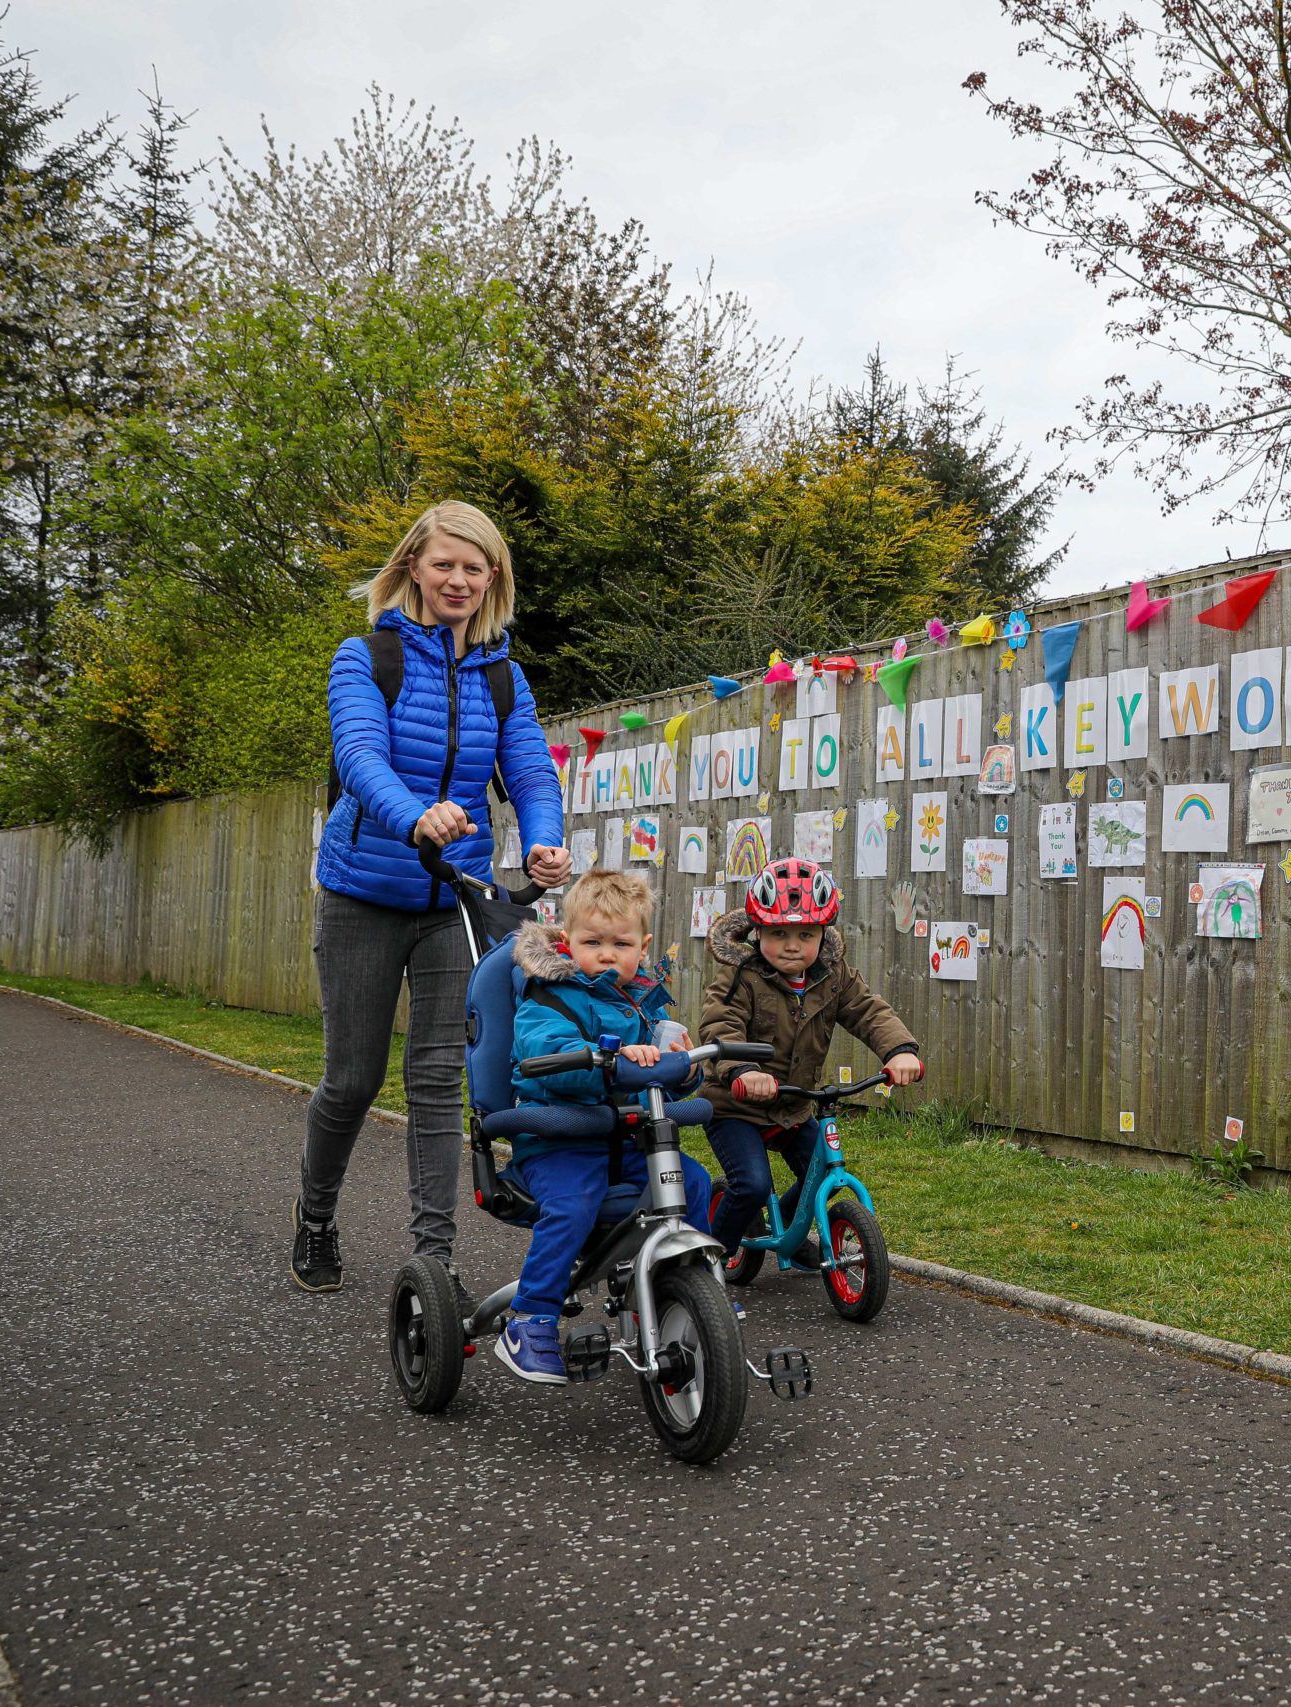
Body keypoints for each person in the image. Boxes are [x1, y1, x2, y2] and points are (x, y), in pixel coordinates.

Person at [294, 500, 570, 1298]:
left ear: (493, 580)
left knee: (440, 1076)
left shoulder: (502, 675)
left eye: (473, 567)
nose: (458, 579)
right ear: (414, 564)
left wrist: (544, 839)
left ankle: (433, 1260)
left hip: (459, 901)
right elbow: (358, 754)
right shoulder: (365, 657)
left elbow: (529, 774)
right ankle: (315, 1214)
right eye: (444, 563)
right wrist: (415, 815)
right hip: (365, 893)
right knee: (351, 1079)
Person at [493, 870, 716, 1385]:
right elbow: (549, 1057)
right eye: (593, 942)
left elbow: (662, 1080)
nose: (608, 954)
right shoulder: (549, 996)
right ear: (567, 943)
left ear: (644, 946)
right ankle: (531, 1318)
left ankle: (688, 1288)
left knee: (693, 1181)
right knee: (574, 1203)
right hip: (559, 1141)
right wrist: (611, 1060)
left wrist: (684, 1069)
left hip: (623, 1138)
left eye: (622, 943)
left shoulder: (645, 1003)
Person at [696, 859, 924, 1260]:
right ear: (757, 931)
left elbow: (869, 1012)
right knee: (750, 1183)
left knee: (822, 1177)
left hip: (793, 1106)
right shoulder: (740, 977)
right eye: (779, 933)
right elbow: (721, 1025)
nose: (792, 945)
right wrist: (744, 1071)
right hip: (736, 1105)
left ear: (823, 933)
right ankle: (711, 1257)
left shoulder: (833, 975)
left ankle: (787, 1229)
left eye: (806, 934)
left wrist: (899, 1050)